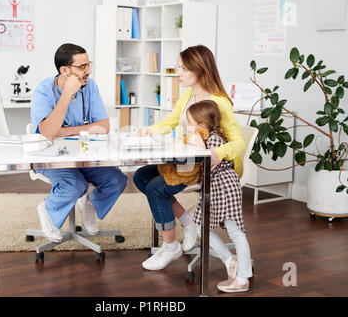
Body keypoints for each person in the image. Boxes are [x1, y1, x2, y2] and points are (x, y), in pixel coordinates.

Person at [133, 45, 246, 271]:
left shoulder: (220, 102)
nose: (179, 73)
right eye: (180, 68)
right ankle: (187, 220)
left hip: (208, 168)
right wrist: (150, 129)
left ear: (200, 69)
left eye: (184, 69)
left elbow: (239, 143)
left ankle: (170, 246)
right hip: (187, 162)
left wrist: (216, 152)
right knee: (141, 176)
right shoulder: (187, 96)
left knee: (156, 188)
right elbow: (170, 123)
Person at [31, 43, 127, 242]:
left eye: (89, 65)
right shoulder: (43, 91)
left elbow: (104, 126)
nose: (88, 71)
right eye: (82, 67)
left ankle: (89, 203)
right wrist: (67, 94)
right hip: (53, 157)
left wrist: (64, 131)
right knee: (74, 185)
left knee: (117, 180)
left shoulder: (90, 87)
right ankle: (48, 209)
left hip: (85, 154)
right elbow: (48, 133)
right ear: (64, 70)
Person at [186, 100, 253, 293]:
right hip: (212, 186)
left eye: (190, 123)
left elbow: (208, 160)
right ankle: (229, 260)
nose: (187, 127)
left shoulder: (214, 139)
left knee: (236, 231)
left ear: (201, 124)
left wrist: (200, 147)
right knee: (199, 226)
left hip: (225, 186)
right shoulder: (205, 137)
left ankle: (243, 278)